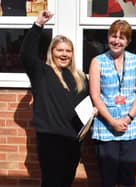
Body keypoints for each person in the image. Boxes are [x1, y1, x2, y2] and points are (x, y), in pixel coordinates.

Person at [19, 10, 95, 187]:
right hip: (50, 138)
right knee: (51, 182)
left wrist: (93, 111)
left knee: (66, 181)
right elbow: (26, 55)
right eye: (59, 50)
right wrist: (38, 25)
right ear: (52, 52)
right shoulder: (42, 73)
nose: (64, 54)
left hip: (73, 140)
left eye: (68, 51)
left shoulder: (80, 78)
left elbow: (84, 106)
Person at [89, 19, 136, 187]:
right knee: (108, 177)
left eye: (122, 38)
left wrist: (127, 119)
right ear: (108, 37)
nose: (117, 41)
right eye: (114, 36)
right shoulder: (97, 62)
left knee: (128, 177)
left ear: (127, 41)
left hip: (132, 126)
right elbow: (95, 95)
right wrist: (113, 122)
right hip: (106, 126)